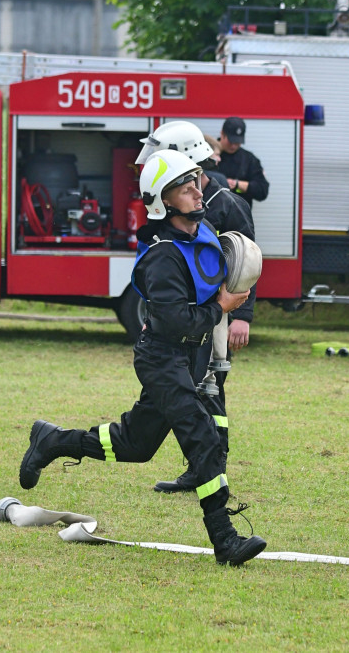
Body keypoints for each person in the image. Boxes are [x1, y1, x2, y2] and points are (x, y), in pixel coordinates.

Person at [18, 149, 266, 567]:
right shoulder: (161, 256)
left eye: (195, 180)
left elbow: (224, 243)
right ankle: (225, 540)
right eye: (183, 186)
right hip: (162, 358)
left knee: (133, 445)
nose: (195, 189)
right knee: (203, 437)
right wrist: (222, 307)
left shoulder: (201, 227)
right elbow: (174, 322)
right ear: (163, 201)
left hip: (187, 356)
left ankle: (53, 439)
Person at [135, 121, 256, 494]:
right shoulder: (182, 194)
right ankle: (202, 468)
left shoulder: (223, 202)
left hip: (214, 317)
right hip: (184, 319)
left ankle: (211, 469)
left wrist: (241, 318)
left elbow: (247, 262)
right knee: (190, 393)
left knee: (210, 387)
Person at [217, 116, 269, 207]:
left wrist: (237, 185)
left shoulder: (249, 159)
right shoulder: (208, 154)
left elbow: (262, 191)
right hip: (211, 217)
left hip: (240, 217)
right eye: (230, 141)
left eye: (237, 142)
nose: (233, 146)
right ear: (222, 134)